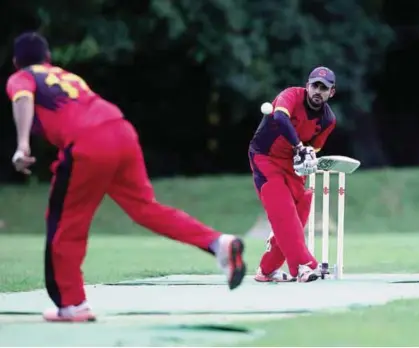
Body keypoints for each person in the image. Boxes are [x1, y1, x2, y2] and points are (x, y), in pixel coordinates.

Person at [5, 32, 247, 322]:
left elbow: (21, 97)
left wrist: (21, 145)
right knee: (146, 209)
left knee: (66, 224)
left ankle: (72, 305)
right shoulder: (67, 76)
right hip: (120, 130)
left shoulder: (22, 76)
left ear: (16, 61)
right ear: (48, 58)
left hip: (88, 143)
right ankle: (218, 243)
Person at [248, 66, 337, 282]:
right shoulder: (291, 96)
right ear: (307, 86)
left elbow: (313, 148)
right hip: (265, 157)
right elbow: (279, 117)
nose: (318, 91)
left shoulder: (328, 120)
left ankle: (267, 270)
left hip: (292, 164)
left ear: (331, 93)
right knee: (283, 210)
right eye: (315, 85)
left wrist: (305, 157)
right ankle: (305, 266)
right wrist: (299, 147)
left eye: (323, 88)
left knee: (301, 207)